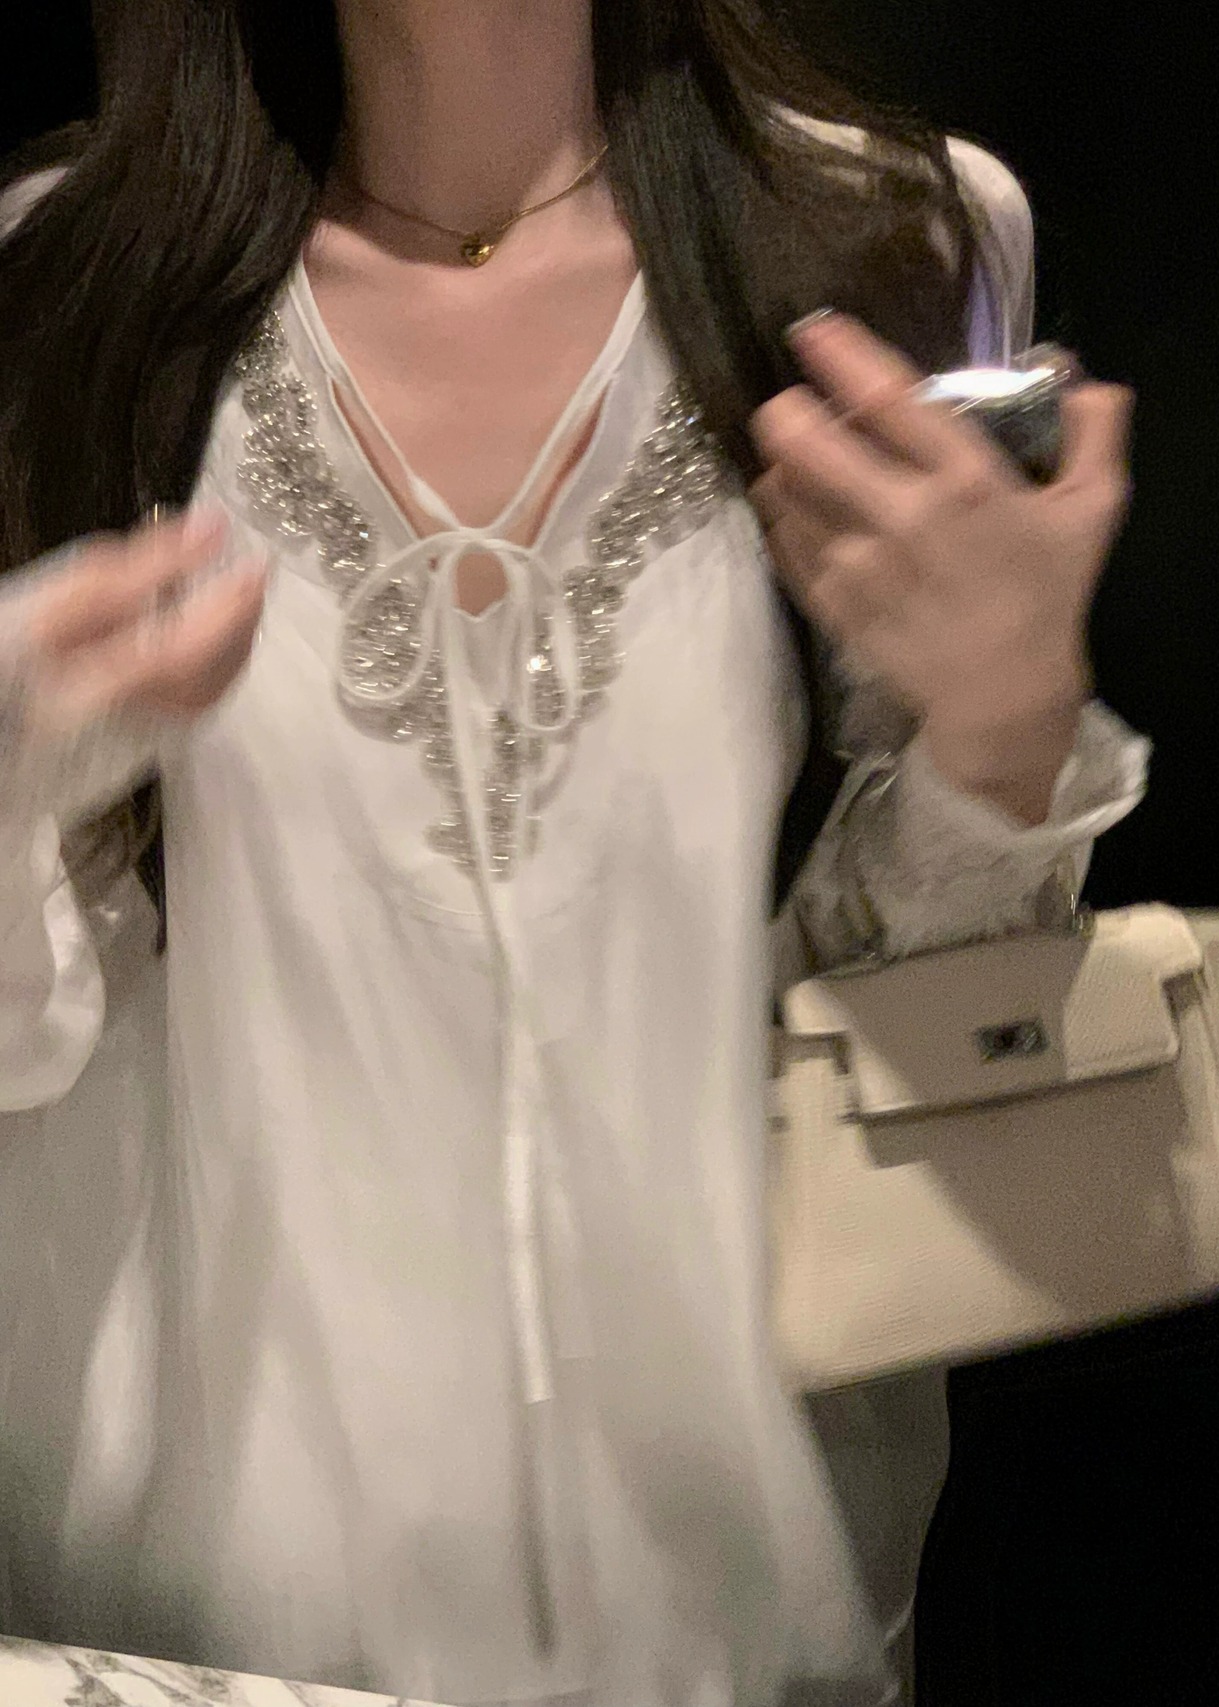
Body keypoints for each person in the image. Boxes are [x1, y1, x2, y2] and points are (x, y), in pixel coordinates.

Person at [0, 2, 1149, 1703]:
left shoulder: (897, 240)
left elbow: (943, 1021)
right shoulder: (71, 277)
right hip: (215, 1596)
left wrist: (1007, 718)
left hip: (734, 1571)